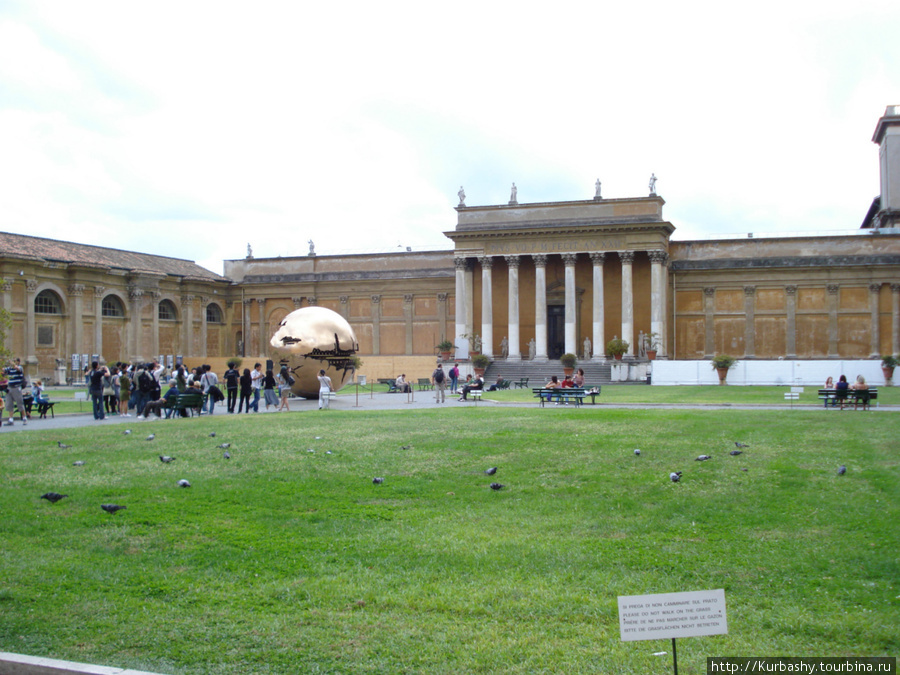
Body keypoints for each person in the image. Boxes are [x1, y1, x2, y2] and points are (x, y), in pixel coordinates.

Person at [4, 358, 28, 425]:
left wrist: (12, 364)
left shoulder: (20, 368)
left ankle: (24, 418)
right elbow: (3, 371)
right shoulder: (9, 368)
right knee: (9, 403)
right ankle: (11, 419)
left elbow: (17, 368)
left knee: (19, 403)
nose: (13, 363)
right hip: (9, 387)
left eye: (15, 361)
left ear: (18, 362)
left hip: (16, 387)